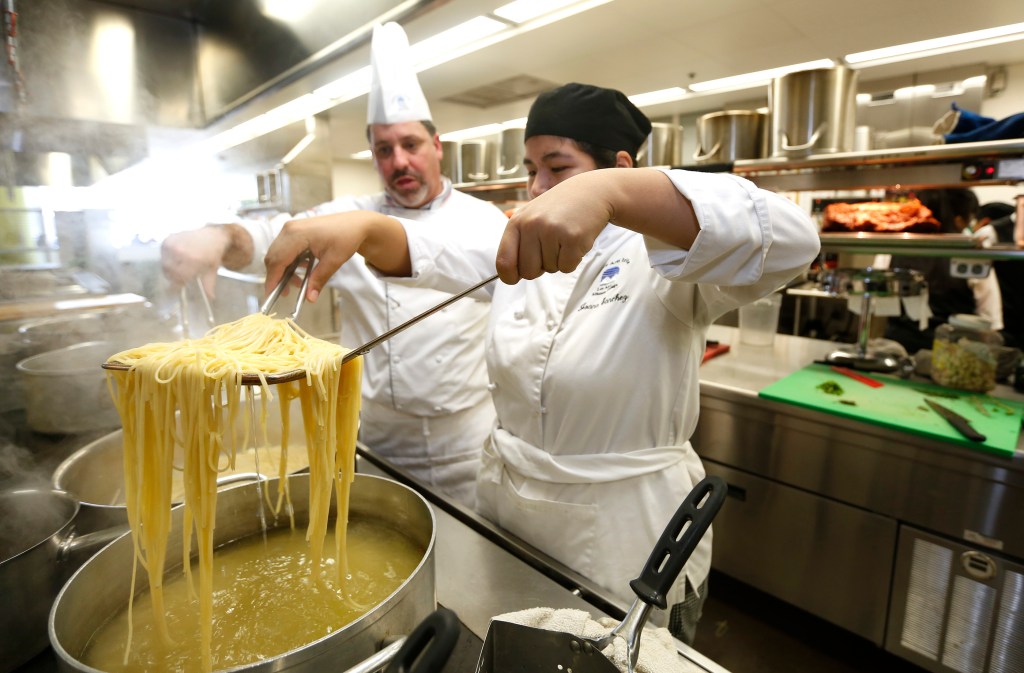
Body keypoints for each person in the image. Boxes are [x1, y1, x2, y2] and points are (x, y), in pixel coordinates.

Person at [260, 82, 820, 643]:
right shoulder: (530, 249)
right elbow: (429, 254)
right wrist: (363, 227)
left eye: (558, 168)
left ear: (617, 167)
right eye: (532, 169)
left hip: (623, 542)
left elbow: (792, 239)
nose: (538, 188)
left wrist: (614, 194)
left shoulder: (666, 261)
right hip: (513, 527)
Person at [159, 23, 508, 508]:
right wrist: (219, 236)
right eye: (384, 150)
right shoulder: (344, 218)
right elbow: (271, 238)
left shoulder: (482, 220)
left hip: (467, 440)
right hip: (377, 435)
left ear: (437, 146)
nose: (399, 161)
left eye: (410, 144)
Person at [884, 188, 1004, 353]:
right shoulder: (970, 252)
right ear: (959, 219)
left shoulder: (893, 246)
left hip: (896, 350)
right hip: (951, 357)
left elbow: (876, 302)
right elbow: (990, 318)